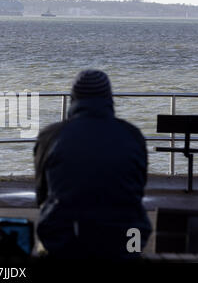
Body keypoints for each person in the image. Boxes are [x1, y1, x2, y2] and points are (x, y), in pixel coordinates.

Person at [34, 69, 151, 260]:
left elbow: (41, 196)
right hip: (128, 240)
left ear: (73, 98)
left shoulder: (51, 136)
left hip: (67, 242)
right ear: (109, 98)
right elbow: (137, 190)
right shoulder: (133, 135)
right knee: (133, 244)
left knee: (47, 241)